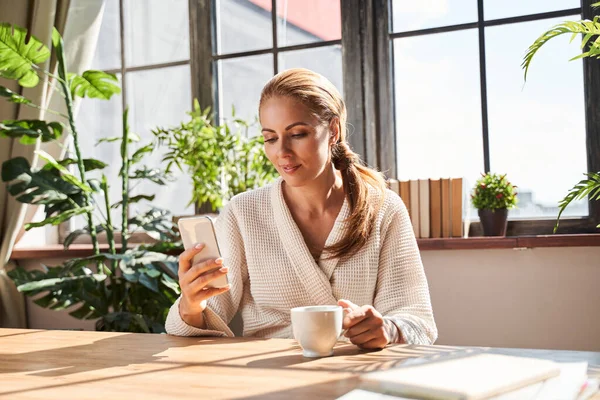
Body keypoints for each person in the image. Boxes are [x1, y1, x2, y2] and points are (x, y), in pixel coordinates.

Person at [165, 68, 437, 348]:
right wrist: (190, 304)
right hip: (269, 378)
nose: (282, 152)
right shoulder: (243, 212)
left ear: (333, 130)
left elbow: (418, 322)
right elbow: (202, 323)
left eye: (297, 134)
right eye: (270, 138)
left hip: (354, 374)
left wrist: (389, 330)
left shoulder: (382, 209)